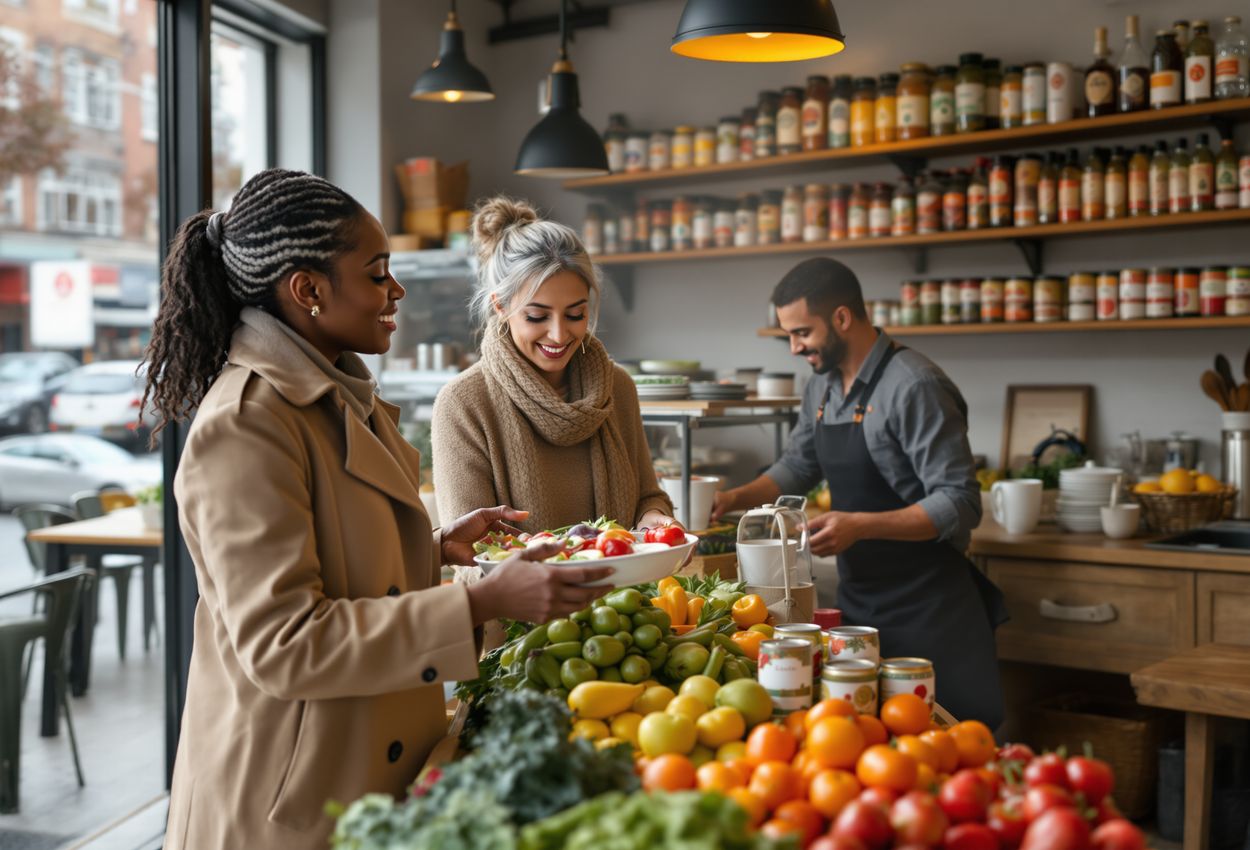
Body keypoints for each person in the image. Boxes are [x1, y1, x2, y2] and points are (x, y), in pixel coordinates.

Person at [143, 169, 611, 849]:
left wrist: (435, 545)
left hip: (359, 770)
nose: (396, 290)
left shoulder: (337, 396)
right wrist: (477, 605)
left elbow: (336, 562)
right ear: (308, 290)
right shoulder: (245, 424)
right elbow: (286, 645)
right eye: (376, 273)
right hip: (287, 800)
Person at [712, 257, 1007, 727]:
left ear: (843, 318)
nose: (793, 348)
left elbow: (960, 501)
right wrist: (734, 497)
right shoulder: (822, 386)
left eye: (802, 332)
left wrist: (860, 526)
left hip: (931, 609)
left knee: (949, 748)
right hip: (864, 607)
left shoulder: (914, 385)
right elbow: (799, 463)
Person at [432, 197, 676, 534]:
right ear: (500, 305)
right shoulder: (464, 403)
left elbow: (647, 498)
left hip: (625, 588)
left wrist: (655, 519)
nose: (559, 334)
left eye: (576, 314)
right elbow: (472, 552)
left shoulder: (617, 387)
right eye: (537, 316)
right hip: (512, 589)